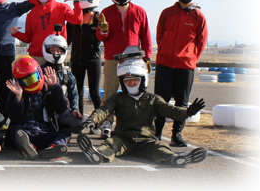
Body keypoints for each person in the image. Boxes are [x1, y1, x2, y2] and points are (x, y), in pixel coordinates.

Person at [78, 58, 208, 167]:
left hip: (146, 140)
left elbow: (171, 111)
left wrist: (187, 112)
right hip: (122, 139)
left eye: (135, 80)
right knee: (110, 144)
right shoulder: (117, 98)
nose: (131, 83)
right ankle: (98, 155)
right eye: (127, 81)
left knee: (159, 147)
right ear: (122, 83)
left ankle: (175, 159)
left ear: (143, 80)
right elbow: (103, 110)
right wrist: (92, 119)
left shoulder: (153, 99)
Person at [95, 0, 153, 139]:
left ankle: (132, 125)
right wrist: (104, 30)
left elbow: (146, 36)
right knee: (109, 93)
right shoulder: (106, 12)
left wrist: (147, 57)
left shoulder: (140, 11)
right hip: (113, 59)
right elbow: (100, 37)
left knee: (134, 92)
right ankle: (107, 124)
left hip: (134, 59)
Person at [153, 0, 208, 146]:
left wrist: (191, 59)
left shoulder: (198, 16)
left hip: (186, 66)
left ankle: (176, 135)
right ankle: (157, 133)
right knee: (160, 101)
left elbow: (201, 42)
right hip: (164, 64)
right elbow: (159, 36)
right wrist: (164, 52)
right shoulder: (167, 13)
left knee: (182, 102)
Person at [5, 56, 71, 160]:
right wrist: (18, 98)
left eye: (33, 78)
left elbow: (63, 109)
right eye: (26, 81)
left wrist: (55, 87)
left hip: (45, 133)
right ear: (19, 82)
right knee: (15, 130)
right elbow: (15, 118)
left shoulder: (48, 89)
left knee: (65, 134)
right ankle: (27, 148)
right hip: (25, 133)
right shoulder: (16, 91)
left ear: (39, 73)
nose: (31, 83)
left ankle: (53, 148)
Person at [10, 0, 82, 66]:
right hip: (36, 56)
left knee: (56, 76)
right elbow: (28, 38)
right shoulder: (31, 14)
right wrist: (16, 33)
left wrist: (76, 2)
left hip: (55, 55)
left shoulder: (62, 7)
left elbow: (77, 20)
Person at [66, 0, 103, 117]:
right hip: (76, 61)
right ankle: (79, 119)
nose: (80, 0)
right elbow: (66, 40)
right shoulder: (73, 19)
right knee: (77, 92)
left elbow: (105, 37)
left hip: (93, 60)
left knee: (94, 93)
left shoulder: (100, 19)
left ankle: (101, 120)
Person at [41, 26, 84, 129]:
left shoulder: (67, 74)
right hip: (43, 111)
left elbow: (73, 94)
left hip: (62, 111)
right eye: (52, 50)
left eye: (59, 51)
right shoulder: (39, 72)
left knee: (80, 122)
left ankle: (59, 127)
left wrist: (75, 109)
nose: (55, 53)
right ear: (46, 49)